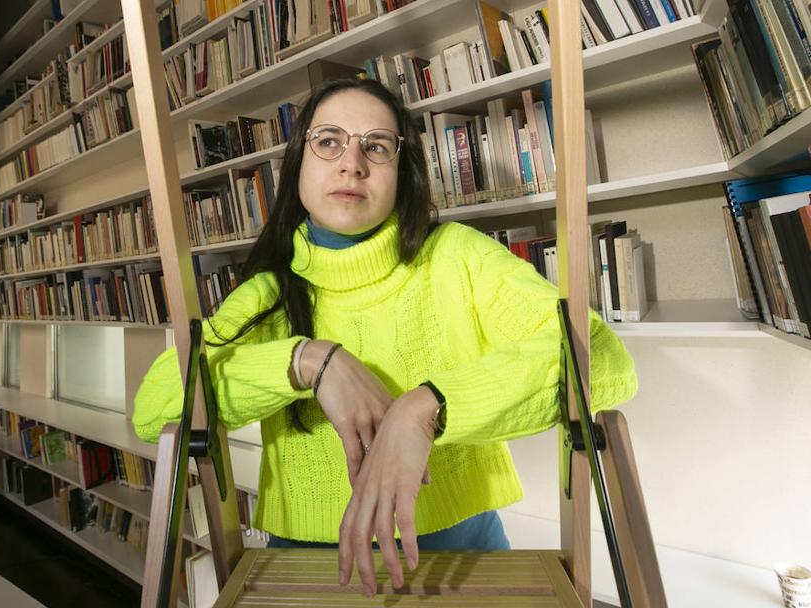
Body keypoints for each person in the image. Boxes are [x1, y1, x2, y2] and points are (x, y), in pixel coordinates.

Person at [132, 78, 637, 597]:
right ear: (297, 165)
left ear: (403, 172)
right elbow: (155, 409)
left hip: (462, 556)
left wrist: (425, 408)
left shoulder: (457, 255)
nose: (352, 163)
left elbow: (601, 357)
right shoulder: (269, 292)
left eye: (376, 146)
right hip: (307, 568)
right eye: (328, 141)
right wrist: (307, 361)